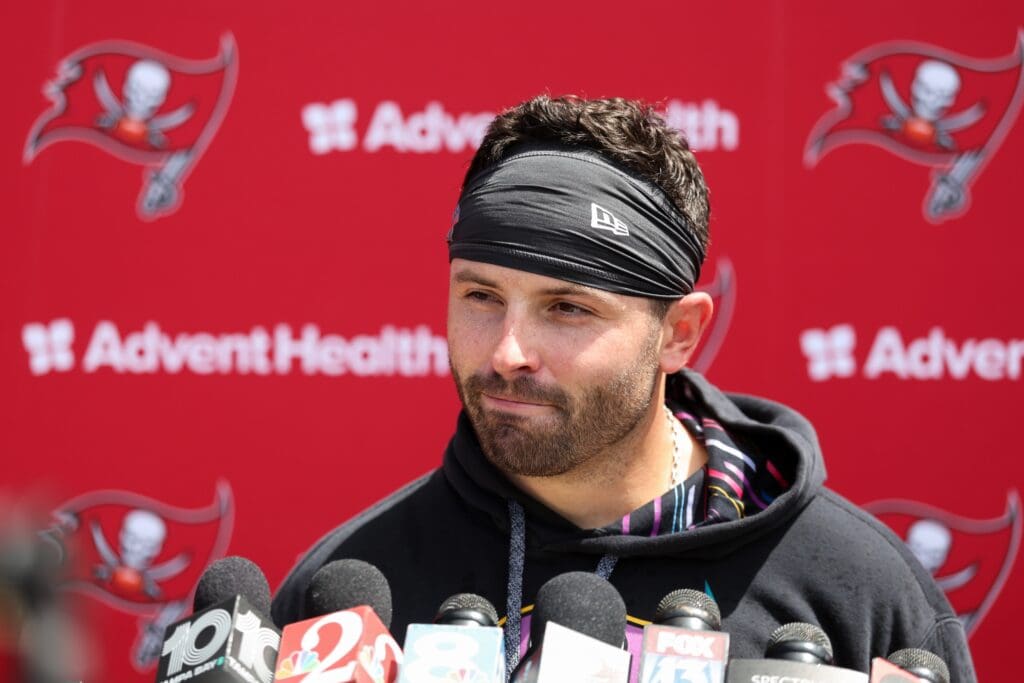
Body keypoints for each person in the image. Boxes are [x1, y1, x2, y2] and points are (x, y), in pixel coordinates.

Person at [270, 95, 976, 681]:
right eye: (481, 296)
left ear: (679, 334)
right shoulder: (345, 599)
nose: (509, 352)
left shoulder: (860, 592)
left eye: (567, 308)